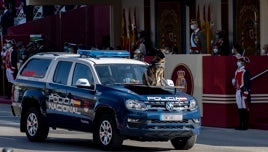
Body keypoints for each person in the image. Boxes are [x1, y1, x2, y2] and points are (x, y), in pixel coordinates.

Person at [232, 56, 251, 130]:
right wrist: (234, 82)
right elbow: (236, 81)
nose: (238, 62)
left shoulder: (245, 71)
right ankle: (240, 124)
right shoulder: (236, 71)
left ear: (243, 62)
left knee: (245, 108)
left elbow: (248, 82)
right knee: (240, 108)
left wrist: (246, 92)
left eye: (240, 61)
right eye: (238, 61)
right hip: (238, 91)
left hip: (243, 92)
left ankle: (245, 125)